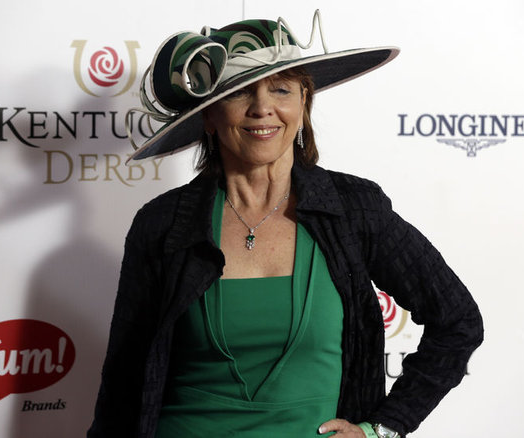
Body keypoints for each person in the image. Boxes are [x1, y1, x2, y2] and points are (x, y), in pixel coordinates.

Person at [88, 11, 483, 438]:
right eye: (240, 92)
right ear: (209, 115)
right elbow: (124, 381)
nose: (262, 108)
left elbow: (457, 320)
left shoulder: (354, 209)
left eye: (280, 89)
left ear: (302, 103)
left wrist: (383, 428)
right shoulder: (163, 224)